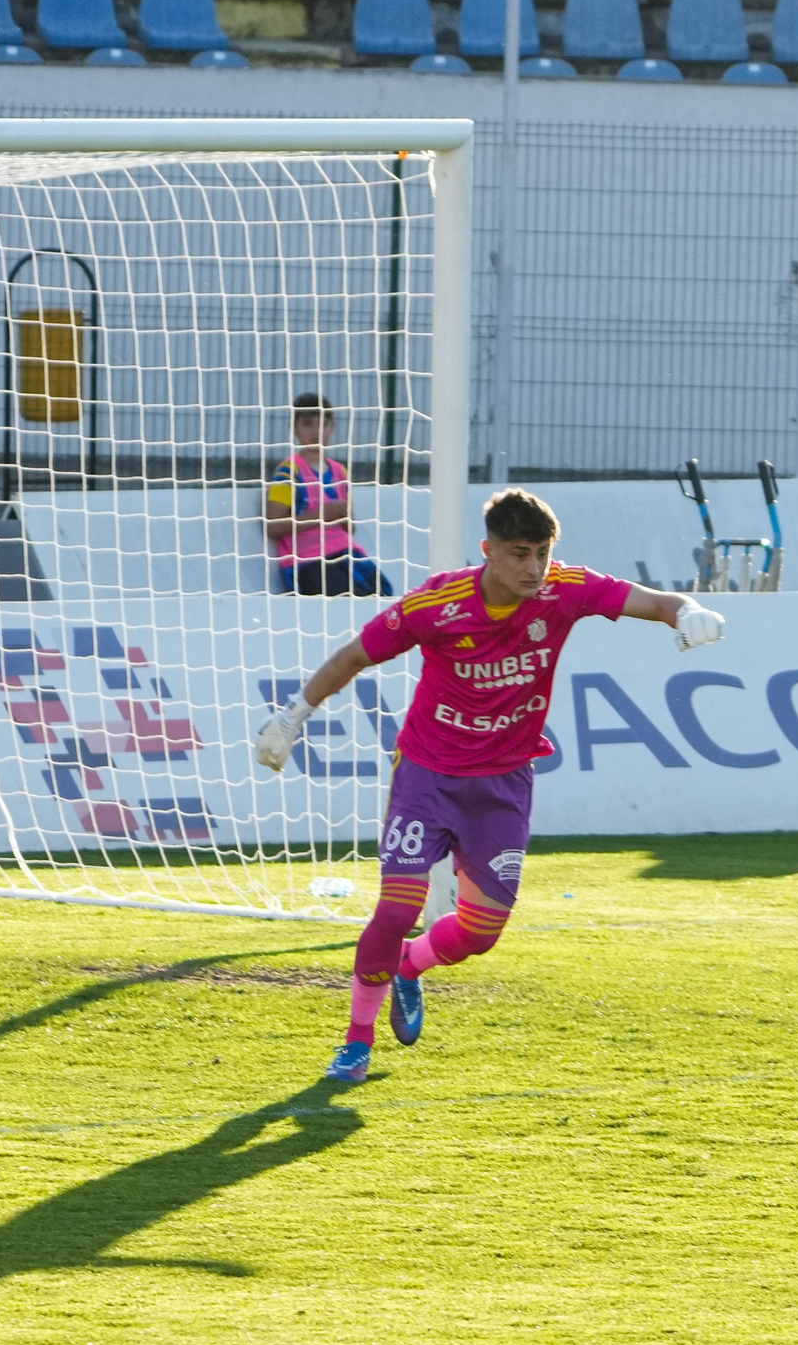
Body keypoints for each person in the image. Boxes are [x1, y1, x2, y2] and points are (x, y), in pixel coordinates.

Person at [255, 488, 726, 1083]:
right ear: (489, 551)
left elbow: (656, 601)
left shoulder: (566, 589)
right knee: (398, 907)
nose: (534, 568)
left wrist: (685, 612)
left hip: (503, 783)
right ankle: (356, 1041)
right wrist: (292, 716)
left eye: (543, 554)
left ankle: (408, 969)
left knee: (481, 933)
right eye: (519, 553)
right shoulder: (438, 603)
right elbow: (354, 656)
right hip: (428, 775)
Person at [266, 392, 389, 596]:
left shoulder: (340, 471)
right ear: (294, 429)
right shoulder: (288, 472)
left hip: (345, 554)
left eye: (323, 424)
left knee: (383, 595)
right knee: (346, 600)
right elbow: (273, 526)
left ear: (332, 427)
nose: (316, 431)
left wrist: (344, 517)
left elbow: (349, 527)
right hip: (308, 561)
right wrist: (321, 516)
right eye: (307, 424)